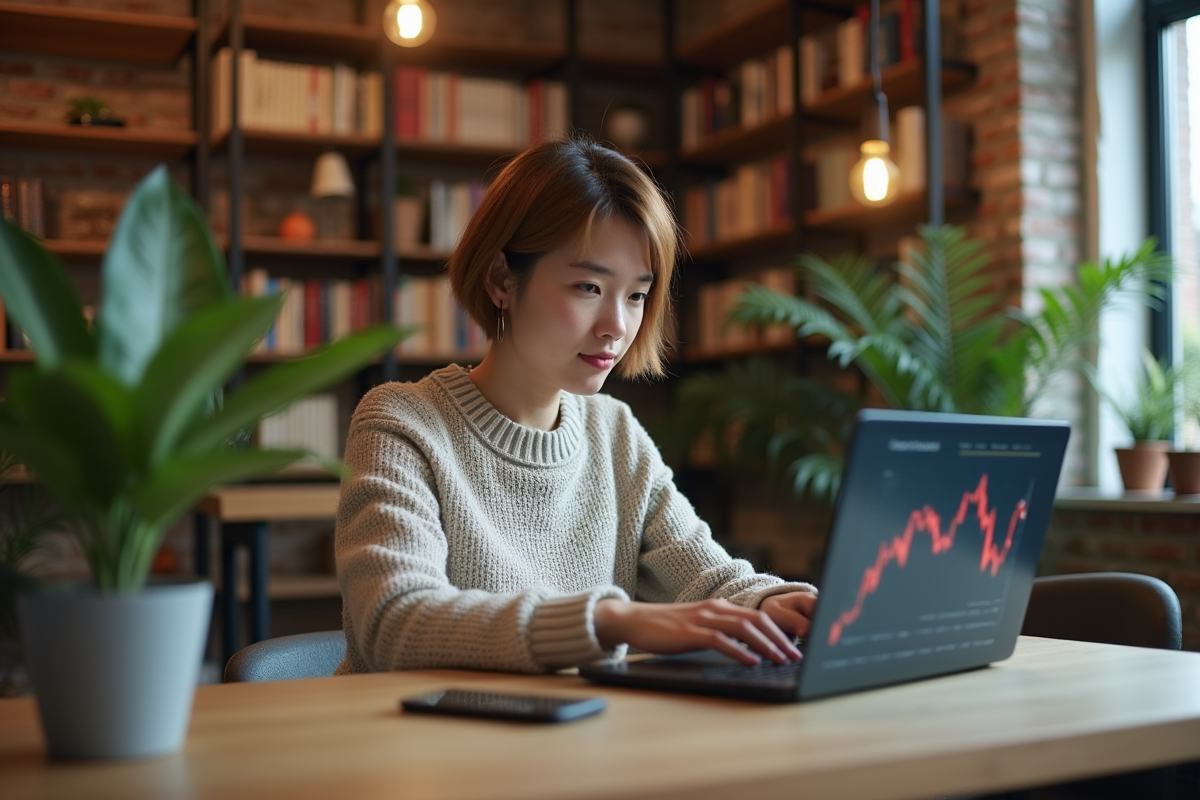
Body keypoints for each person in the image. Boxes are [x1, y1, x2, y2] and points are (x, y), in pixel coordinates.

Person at [335, 136, 817, 675]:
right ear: (501, 280)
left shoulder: (614, 432)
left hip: (571, 741)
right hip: (423, 749)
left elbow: (707, 575)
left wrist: (772, 602)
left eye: (636, 295)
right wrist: (611, 621)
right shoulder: (402, 423)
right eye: (589, 286)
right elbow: (394, 622)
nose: (617, 326)